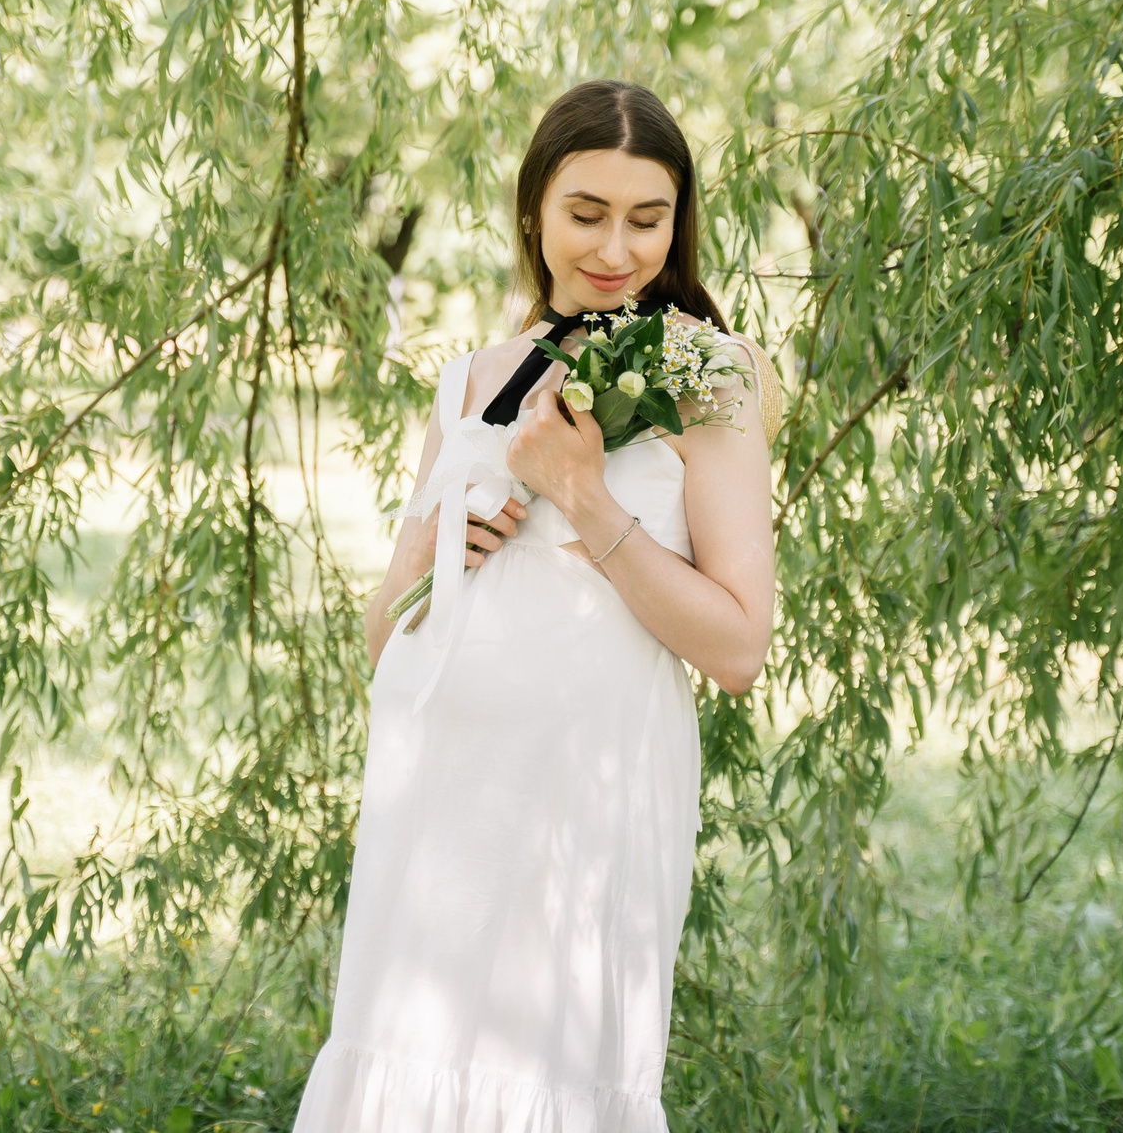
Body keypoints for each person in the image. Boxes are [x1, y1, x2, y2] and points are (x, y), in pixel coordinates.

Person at [292, 79, 778, 1131]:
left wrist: (586, 500)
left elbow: (739, 646)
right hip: (440, 793)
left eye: (647, 218)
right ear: (534, 212)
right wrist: (426, 548)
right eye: (586, 213)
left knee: (557, 1076)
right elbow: (386, 640)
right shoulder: (471, 378)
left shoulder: (711, 374)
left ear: (679, 223)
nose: (616, 247)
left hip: (589, 804)